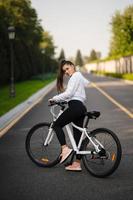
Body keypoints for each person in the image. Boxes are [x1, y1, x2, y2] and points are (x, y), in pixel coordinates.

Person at [49, 60, 90, 171]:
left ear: (72, 66)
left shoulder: (75, 76)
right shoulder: (79, 76)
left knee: (56, 125)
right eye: (64, 71)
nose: (66, 72)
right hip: (80, 107)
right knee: (77, 138)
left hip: (76, 107)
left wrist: (54, 99)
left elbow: (69, 93)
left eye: (67, 68)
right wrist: (68, 99)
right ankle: (77, 164)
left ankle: (65, 149)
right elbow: (87, 83)